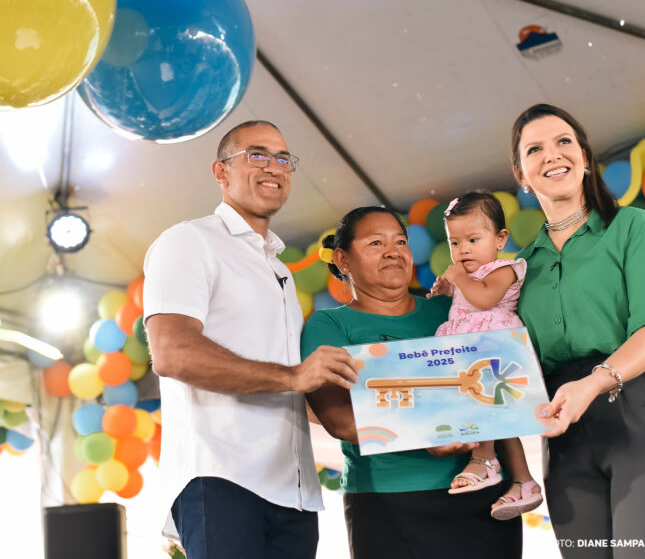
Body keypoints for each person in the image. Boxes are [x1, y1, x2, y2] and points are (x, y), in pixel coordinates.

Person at [143, 120, 361, 559]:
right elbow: (172, 352)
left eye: (283, 158)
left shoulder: (279, 270)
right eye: (257, 155)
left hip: (296, 493)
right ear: (220, 172)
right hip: (221, 478)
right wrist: (295, 376)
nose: (273, 167)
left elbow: (296, 388)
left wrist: (408, 419)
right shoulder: (188, 241)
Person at [510, 104, 645, 556]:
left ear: (585, 157)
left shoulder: (632, 227)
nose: (552, 155)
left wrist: (594, 383)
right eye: (534, 149)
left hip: (641, 415)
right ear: (521, 175)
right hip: (565, 436)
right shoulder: (518, 268)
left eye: (564, 142)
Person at [302, 206, 523, 559]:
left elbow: (506, 379)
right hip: (388, 501)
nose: (393, 251)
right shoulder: (329, 325)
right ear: (343, 260)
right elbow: (338, 418)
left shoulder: (450, 312)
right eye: (376, 243)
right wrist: (426, 432)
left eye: (401, 242)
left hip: (485, 494)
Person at [427, 190, 542, 520]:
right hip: (470, 350)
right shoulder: (468, 276)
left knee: (484, 409)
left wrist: (458, 278)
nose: (463, 250)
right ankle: (524, 481)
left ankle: (484, 460)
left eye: (473, 240)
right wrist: (448, 290)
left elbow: (485, 299)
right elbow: (467, 298)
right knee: (499, 422)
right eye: (455, 242)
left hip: (494, 348)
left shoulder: (506, 269)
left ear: (500, 238)